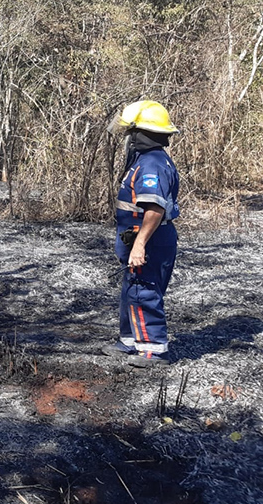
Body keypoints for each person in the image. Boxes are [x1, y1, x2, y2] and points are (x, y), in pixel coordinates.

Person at [102, 100, 180, 368]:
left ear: (141, 134)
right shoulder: (145, 161)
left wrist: (139, 246)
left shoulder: (152, 165)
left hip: (149, 239)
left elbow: (155, 209)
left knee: (144, 290)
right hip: (135, 236)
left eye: (130, 133)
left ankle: (154, 350)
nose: (126, 139)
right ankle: (131, 340)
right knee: (132, 289)